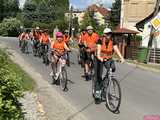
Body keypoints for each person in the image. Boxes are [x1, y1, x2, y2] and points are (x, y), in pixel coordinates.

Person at [94, 27, 125, 100]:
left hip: (108, 59)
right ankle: (97, 94)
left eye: (110, 34)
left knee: (112, 68)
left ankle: (106, 81)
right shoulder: (100, 40)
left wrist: (121, 58)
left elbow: (116, 50)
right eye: (107, 34)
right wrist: (99, 57)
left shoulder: (113, 41)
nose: (109, 35)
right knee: (98, 76)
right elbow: (98, 52)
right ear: (104, 35)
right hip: (99, 59)